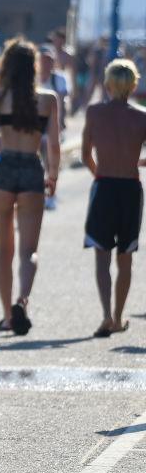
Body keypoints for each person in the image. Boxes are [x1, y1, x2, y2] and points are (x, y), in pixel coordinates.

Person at [0, 39, 60, 336]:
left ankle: (7, 316)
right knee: (29, 251)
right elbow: (53, 144)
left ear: (6, 67)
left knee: (4, 249)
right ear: (34, 67)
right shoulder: (48, 100)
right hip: (30, 170)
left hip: (4, 169)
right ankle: (22, 302)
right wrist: (53, 175)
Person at [81, 60, 146, 338]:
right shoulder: (142, 116)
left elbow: (85, 155)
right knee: (126, 256)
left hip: (104, 186)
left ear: (107, 84)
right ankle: (119, 317)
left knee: (101, 256)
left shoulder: (94, 113)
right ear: (133, 85)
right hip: (130, 188)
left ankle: (106, 315)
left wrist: (101, 172)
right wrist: (136, 161)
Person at [38, 47, 69, 210]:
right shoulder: (34, 79)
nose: (46, 64)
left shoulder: (59, 79)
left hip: (52, 126)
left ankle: (51, 193)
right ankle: (40, 191)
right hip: (36, 127)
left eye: (49, 61)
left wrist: (60, 123)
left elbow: (62, 104)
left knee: (51, 160)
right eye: (43, 60)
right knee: (38, 162)